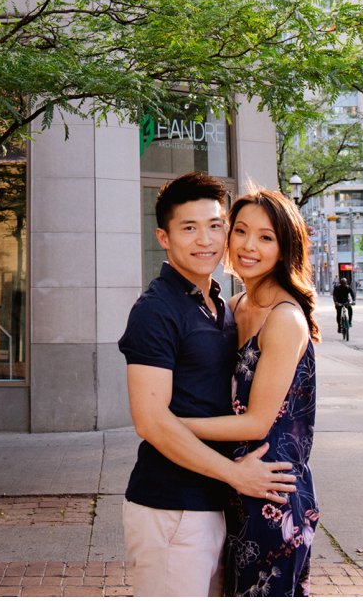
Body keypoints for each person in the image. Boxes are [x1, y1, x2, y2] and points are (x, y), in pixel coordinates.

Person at [118, 173, 298, 598]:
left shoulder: (222, 304)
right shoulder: (156, 310)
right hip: (172, 506)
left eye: (216, 225)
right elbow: (150, 422)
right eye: (189, 228)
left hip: (219, 506)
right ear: (163, 237)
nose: (206, 240)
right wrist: (237, 476)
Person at [180, 189, 320, 597]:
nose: (248, 246)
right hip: (228, 485)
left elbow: (257, 421)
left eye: (265, 237)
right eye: (240, 231)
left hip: (270, 494)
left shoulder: (284, 318)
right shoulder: (234, 306)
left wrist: (169, 427)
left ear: (284, 247)